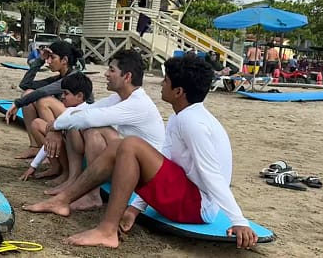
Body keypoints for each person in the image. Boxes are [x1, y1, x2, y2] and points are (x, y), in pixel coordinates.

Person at [23, 55, 258, 250]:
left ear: (178, 91)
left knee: (131, 144)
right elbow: (169, 164)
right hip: (184, 194)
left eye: (165, 81)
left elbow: (211, 175)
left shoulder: (193, 123)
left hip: (196, 206)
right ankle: (63, 201)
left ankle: (107, 231)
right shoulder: (182, 115)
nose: (160, 85)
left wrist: (238, 220)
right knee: (120, 145)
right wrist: (135, 209)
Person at [42, 49, 165, 212]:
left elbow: (88, 118)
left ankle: (92, 195)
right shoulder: (118, 98)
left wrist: (55, 126)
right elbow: (83, 111)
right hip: (129, 163)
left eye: (112, 70)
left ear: (127, 77)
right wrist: (55, 128)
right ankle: (74, 179)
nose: (106, 74)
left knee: (95, 128)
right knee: (79, 124)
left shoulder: (138, 103)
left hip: (142, 173)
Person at [5, 40, 86, 159]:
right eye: (47, 58)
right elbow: (25, 85)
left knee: (43, 101)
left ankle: (54, 149)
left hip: (79, 126)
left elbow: (43, 92)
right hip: (66, 121)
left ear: (64, 60)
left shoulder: (72, 77)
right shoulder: (58, 78)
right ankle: (35, 147)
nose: (48, 61)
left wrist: (17, 103)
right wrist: (40, 60)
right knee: (28, 93)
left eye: (52, 58)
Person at [20, 73, 93, 181]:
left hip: (82, 157)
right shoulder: (75, 109)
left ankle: (66, 172)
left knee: (57, 133)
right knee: (37, 124)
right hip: (80, 152)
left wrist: (33, 166)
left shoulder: (73, 112)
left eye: (66, 93)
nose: (62, 97)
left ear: (79, 96)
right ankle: (56, 167)